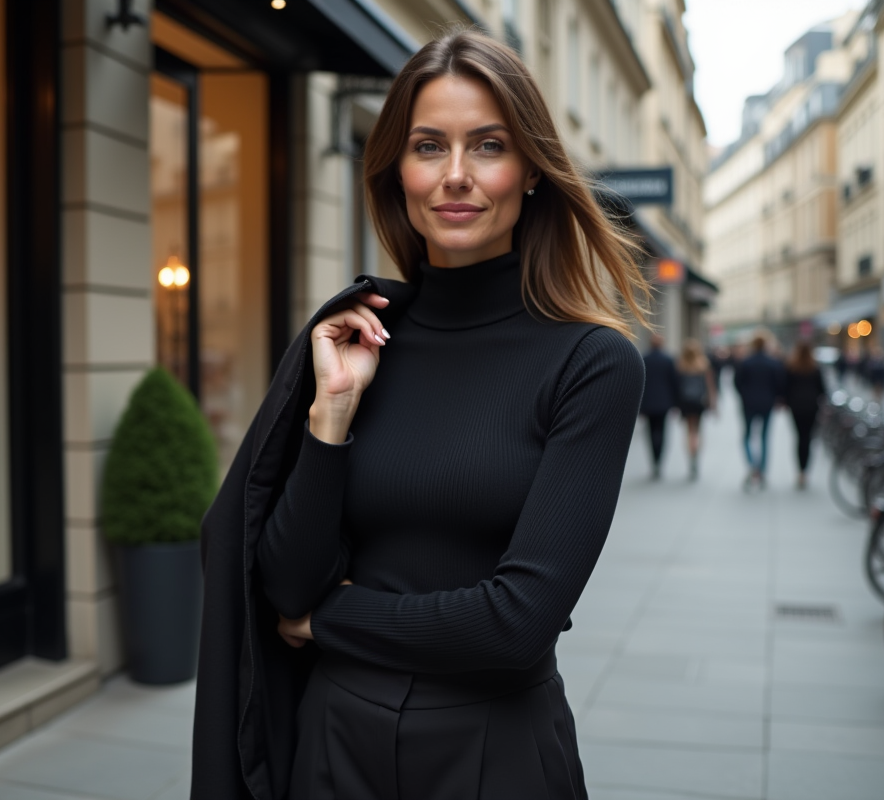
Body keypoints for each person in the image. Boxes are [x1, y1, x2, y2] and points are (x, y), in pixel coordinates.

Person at [192, 28, 649, 800]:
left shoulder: (592, 363)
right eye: (430, 147)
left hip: (493, 750)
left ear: (532, 169)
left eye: (489, 146)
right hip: (333, 746)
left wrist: (334, 623)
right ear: (397, 171)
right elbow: (286, 585)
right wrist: (331, 414)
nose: (457, 177)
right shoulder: (355, 338)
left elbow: (518, 622)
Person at [734, 331, 785, 489]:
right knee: (764, 437)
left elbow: (737, 383)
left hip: (749, 403)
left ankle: (752, 464)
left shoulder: (746, 362)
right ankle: (761, 470)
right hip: (766, 403)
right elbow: (779, 384)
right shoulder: (773, 362)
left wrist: (744, 395)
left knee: (747, 435)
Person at [785, 340, 826, 489]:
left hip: (796, 407)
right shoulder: (815, 368)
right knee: (807, 439)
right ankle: (805, 471)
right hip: (811, 407)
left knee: (799, 438)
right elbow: (822, 390)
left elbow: (785, 388)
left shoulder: (791, 368)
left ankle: (800, 472)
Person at [676, 338, 717, 480]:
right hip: (699, 402)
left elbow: (677, 386)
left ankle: (690, 456)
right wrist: (713, 403)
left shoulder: (681, 365)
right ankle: (696, 455)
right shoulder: (703, 365)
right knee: (698, 431)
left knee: (688, 431)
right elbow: (710, 386)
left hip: (685, 402)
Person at [641, 333, 679, 479]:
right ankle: (659, 460)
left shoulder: (645, 359)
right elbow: (674, 383)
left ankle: (654, 460)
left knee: (650, 433)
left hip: (649, 402)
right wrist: (675, 403)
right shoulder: (668, 360)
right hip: (664, 403)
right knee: (662, 432)